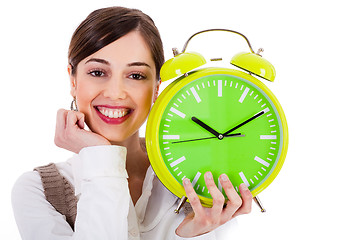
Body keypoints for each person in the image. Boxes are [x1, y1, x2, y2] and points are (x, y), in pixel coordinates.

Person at [11, 6, 252, 240]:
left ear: (157, 88)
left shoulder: (200, 178)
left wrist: (191, 236)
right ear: (73, 81)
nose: (116, 93)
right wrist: (100, 155)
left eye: (136, 76)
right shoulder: (38, 190)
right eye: (97, 72)